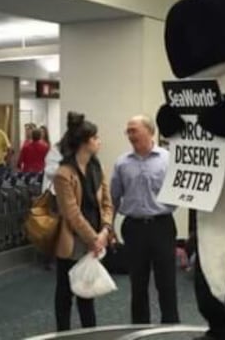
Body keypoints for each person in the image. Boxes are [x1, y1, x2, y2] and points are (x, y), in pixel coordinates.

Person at [111, 115, 179, 324]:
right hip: (134, 228)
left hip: (162, 226)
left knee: (166, 281)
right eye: (128, 131)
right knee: (137, 283)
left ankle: (171, 326)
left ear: (150, 132)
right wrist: (109, 227)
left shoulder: (169, 159)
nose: (130, 135)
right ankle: (140, 327)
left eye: (134, 130)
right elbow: (114, 198)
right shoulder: (122, 163)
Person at [53, 114, 114, 332]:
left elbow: (107, 203)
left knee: (87, 294)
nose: (99, 141)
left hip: (96, 237)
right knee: (65, 292)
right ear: (84, 143)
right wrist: (93, 238)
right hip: (73, 241)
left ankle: (90, 333)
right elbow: (72, 214)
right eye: (95, 138)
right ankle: (63, 334)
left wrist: (105, 230)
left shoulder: (97, 168)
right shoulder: (63, 174)